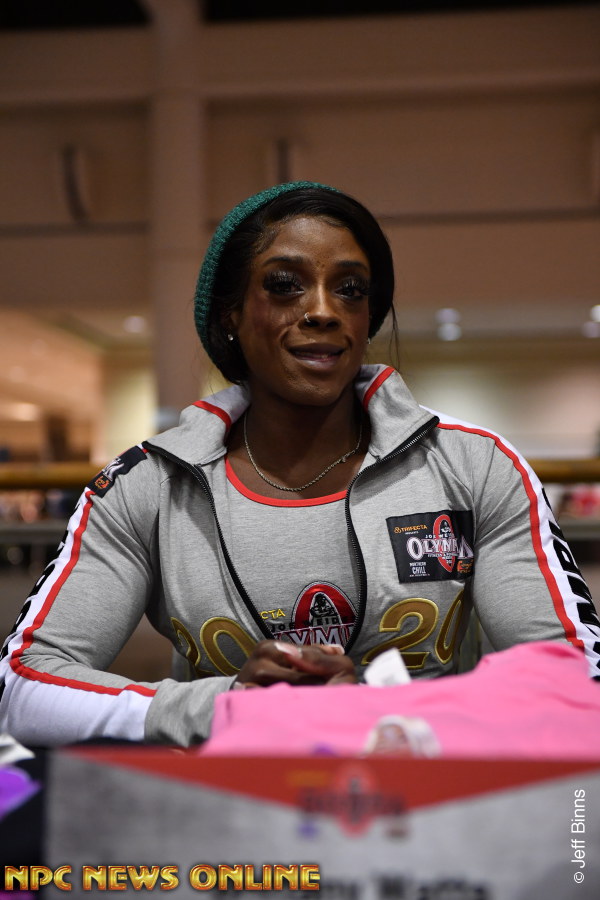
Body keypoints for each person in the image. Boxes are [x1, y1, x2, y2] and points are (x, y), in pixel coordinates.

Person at [0, 182, 598, 748]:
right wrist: (229, 707)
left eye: (351, 289)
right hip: (227, 809)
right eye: (285, 285)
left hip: (433, 803)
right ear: (230, 314)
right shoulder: (148, 486)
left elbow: (577, 682)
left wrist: (378, 714)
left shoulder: (476, 466)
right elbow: (24, 685)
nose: (324, 310)